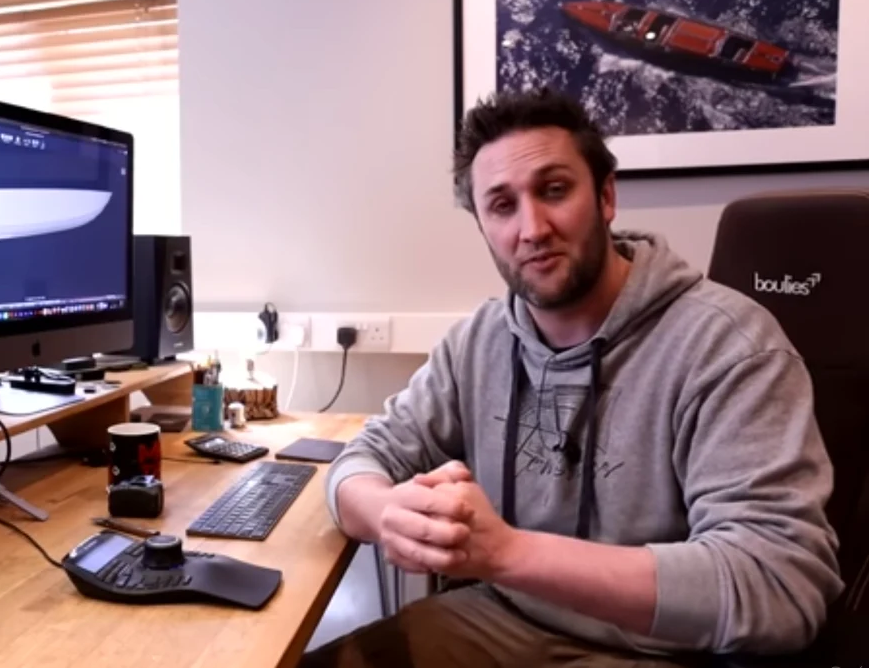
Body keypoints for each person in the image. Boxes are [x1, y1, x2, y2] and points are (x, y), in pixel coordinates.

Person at [303, 87, 844, 667]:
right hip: (502, 620)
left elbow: (780, 588)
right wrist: (386, 513)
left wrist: (507, 554)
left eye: (554, 190)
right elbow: (363, 459)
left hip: (666, 652)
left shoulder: (727, 345)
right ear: (483, 225)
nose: (532, 228)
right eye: (502, 206)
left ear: (606, 196)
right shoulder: (479, 342)